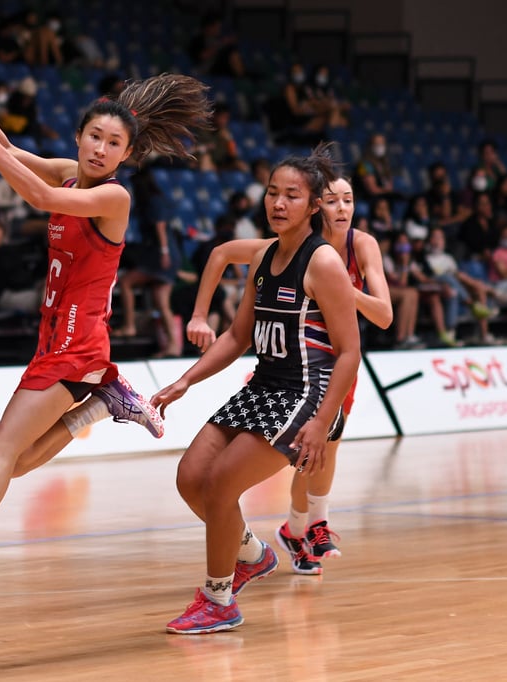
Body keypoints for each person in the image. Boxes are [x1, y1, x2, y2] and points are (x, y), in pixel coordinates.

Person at [0, 70, 210, 590]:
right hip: (58, 335)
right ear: (79, 136)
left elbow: (39, 198)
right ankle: (105, 403)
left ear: (126, 155)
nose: (102, 149)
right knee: (9, 463)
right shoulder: (66, 171)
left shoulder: (114, 199)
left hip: (77, 343)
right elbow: (19, 158)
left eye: (114, 144)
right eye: (95, 136)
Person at [153, 147, 361, 634]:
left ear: (312, 206)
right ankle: (250, 553)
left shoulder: (324, 262)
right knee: (191, 477)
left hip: (304, 397)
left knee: (222, 483)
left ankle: (218, 599)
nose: (278, 203)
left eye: (292, 195)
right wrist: (186, 380)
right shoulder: (264, 257)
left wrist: (321, 422)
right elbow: (237, 336)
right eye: (272, 192)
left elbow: (349, 352)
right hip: (263, 387)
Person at [185, 171, 392, 576]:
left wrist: (336, 286)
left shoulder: (358, 246)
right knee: (283, 458)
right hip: (279, 371)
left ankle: (306, 525)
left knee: (320, 451)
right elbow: (220, 254)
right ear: (318, 206)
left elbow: (383, 316)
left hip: (328, 367)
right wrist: (198, 315)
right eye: (333, 200)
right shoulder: (275, 248)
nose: (342, 209)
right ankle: (287, 534)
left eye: (348, 200)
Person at [112, 162, 182, 357]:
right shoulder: (155, 199)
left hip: (160, 254)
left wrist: (164, 251)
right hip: (166, 253)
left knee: (126, 282)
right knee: (162, 301)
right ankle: (173, 346)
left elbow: (160, 227)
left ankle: (129, 326)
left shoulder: (153, 200)